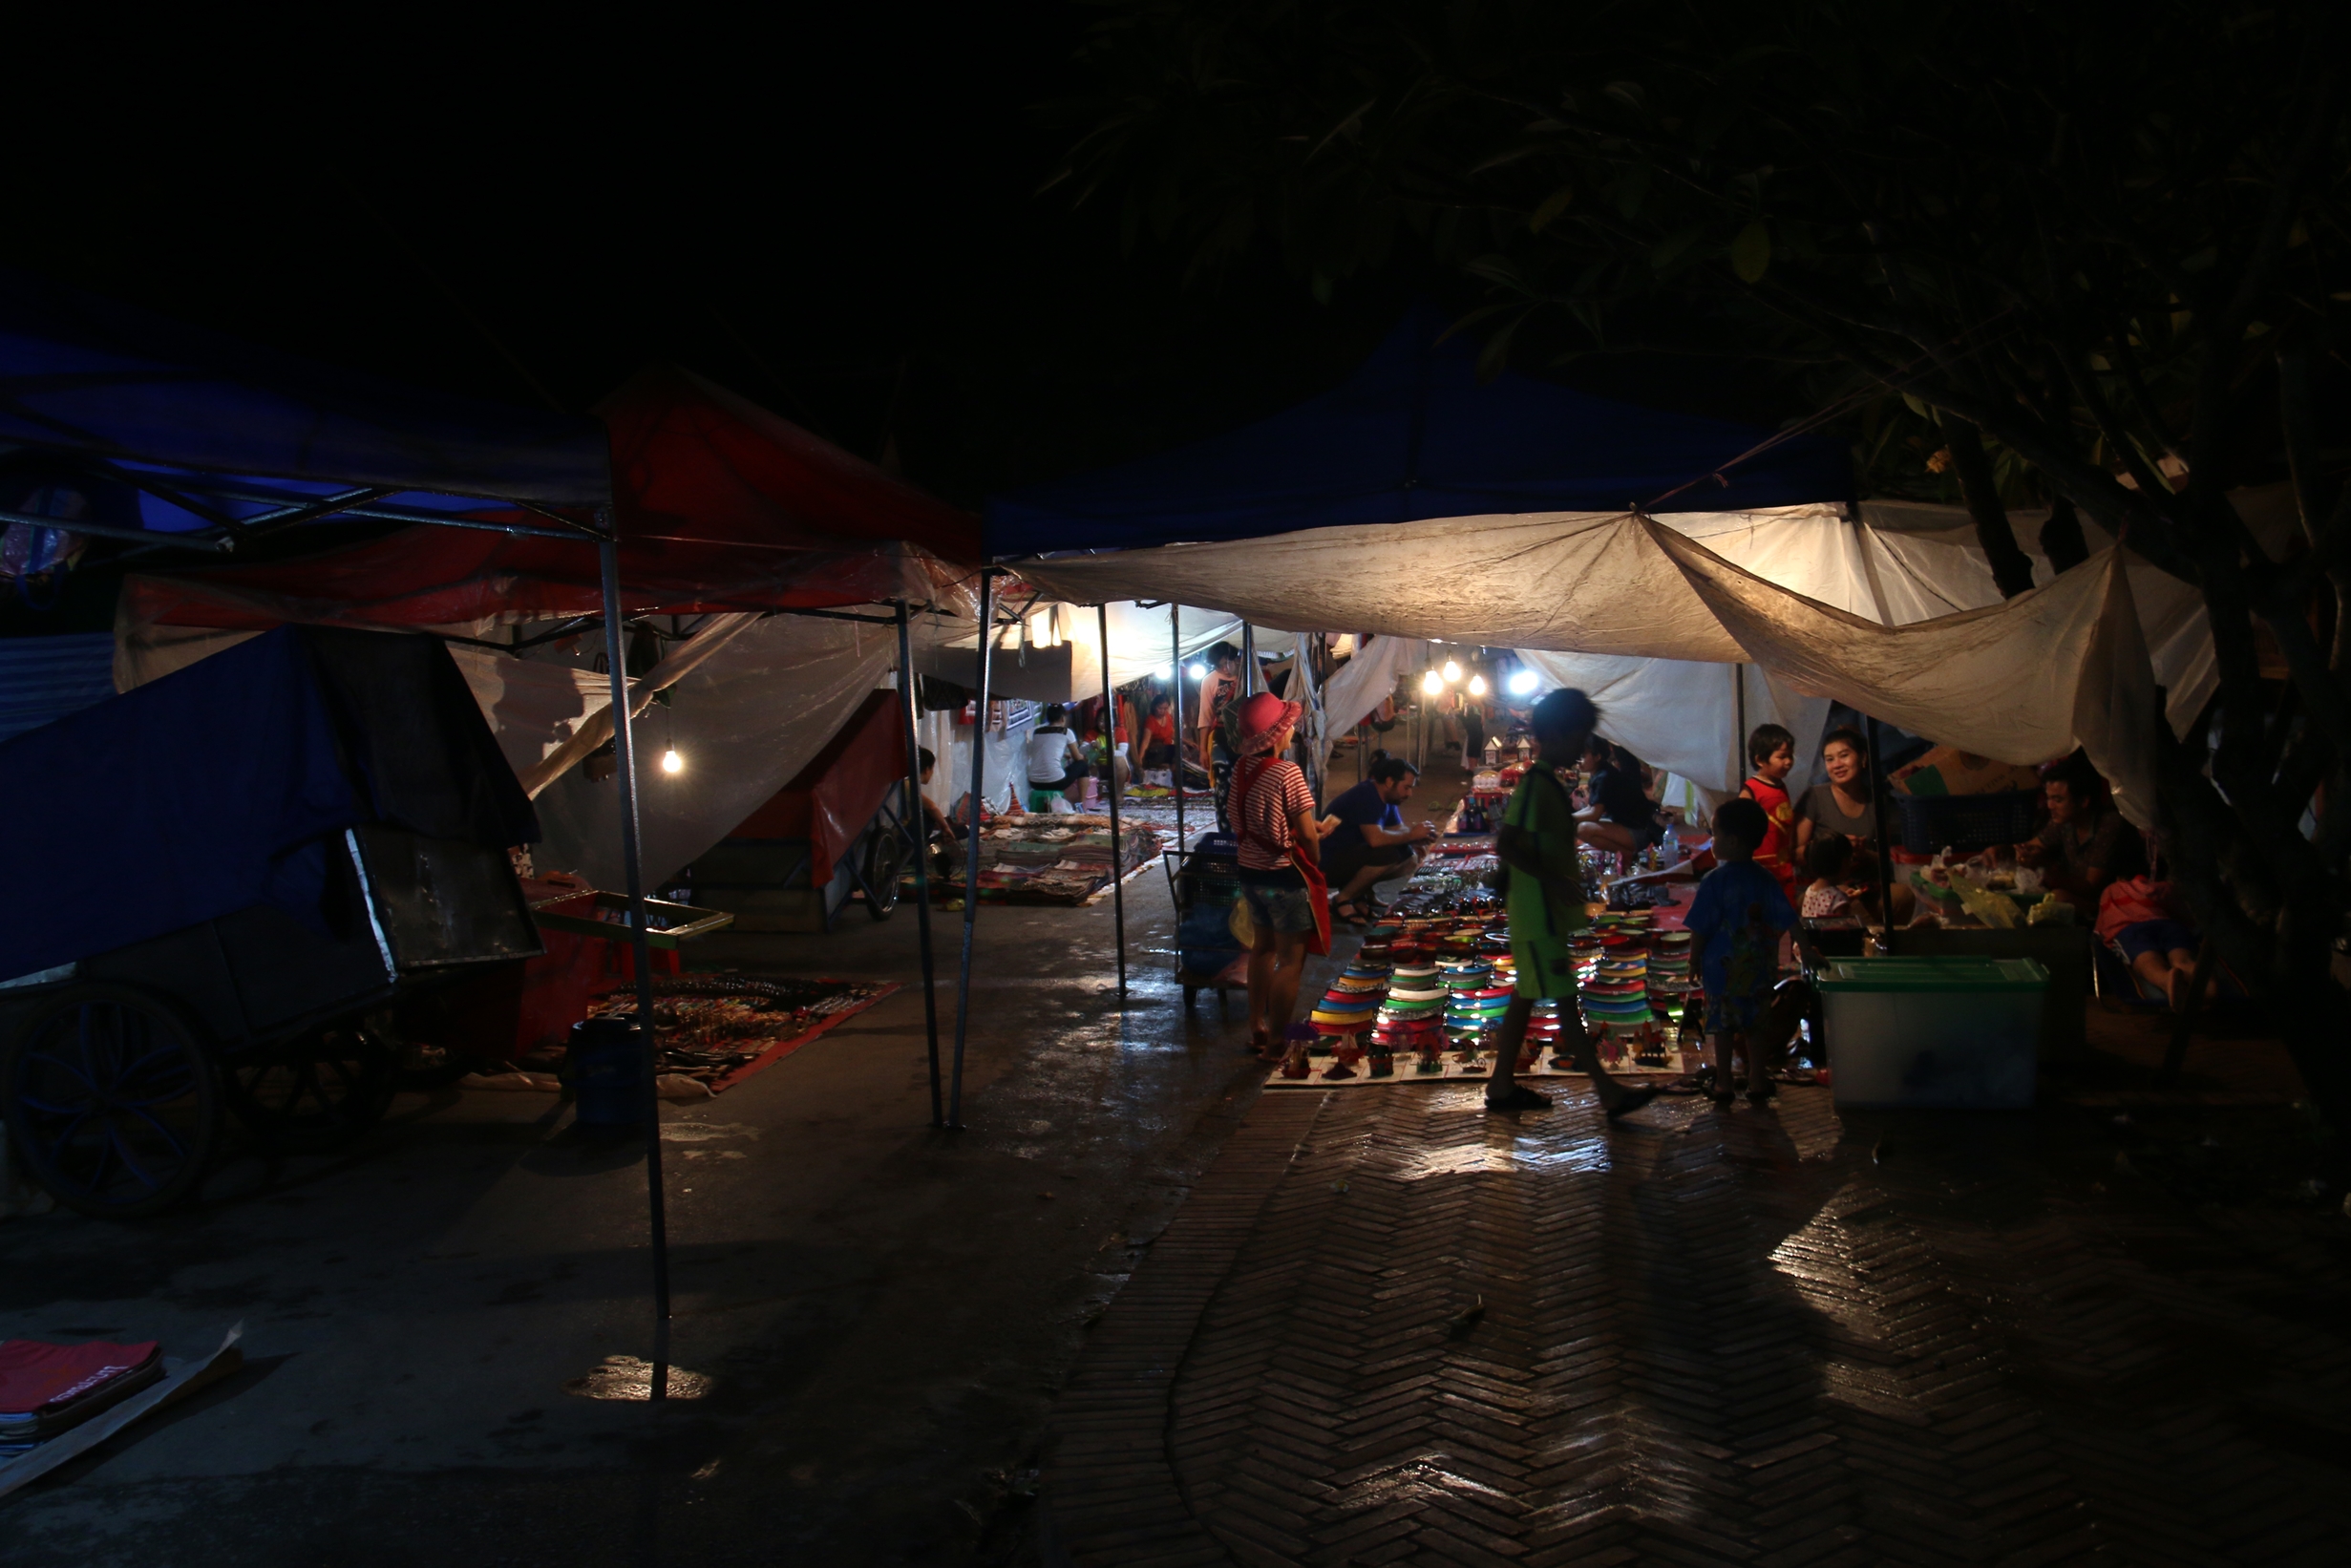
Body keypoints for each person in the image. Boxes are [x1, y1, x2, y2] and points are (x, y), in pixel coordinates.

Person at [1486, 689, 1660, 1119]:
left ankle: (1502, 1084)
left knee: (1526, 999)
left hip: (1538, 913)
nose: (1584, 746)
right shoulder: (1538, 785)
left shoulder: (1546, 784)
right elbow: (1507, 843)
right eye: (1580, 735)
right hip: (1539, 913)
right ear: (1559, 734)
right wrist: (1554, 880)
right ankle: (1607, 1091)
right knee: (1564, 1002)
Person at [1684, 796, 1799, 1109]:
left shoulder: (1714, 881)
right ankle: (1757, 1080)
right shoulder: (1765, 879)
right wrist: (1810, 948)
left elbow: (1700, 928)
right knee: (1755, 1026)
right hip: (1760, 970)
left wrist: (1694, 961)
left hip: (1723, 974)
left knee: (1722, 1027)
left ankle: (1723, 1083)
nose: (1712, 840)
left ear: (1731, 841)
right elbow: (1789, 917)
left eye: (1716, 834)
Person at [1229, 692, 1326, 1058]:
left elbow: (1251, 819)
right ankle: (1276, 1043)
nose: (1291, 731)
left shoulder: (1240, 769)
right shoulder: (1288, 772)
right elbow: (1304, 835)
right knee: (1289, 960)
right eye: (1287, 726)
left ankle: (1257, 1024)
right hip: (1283, 878)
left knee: (1261, 950)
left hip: (1251, 874)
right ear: (1277, 734)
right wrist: (1315, 853)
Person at [1321, 755, 1434, 922]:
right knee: (1387, 854)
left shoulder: (1387, 797)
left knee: (1409, 855)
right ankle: (1342, 899)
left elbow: (1398, 829)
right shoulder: (1366, 795)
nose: (1409, 793)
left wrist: (1417, 837)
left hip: (1351, 855)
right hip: (1327, 862)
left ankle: (1360, 894)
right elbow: (1376, 840)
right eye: (1406, 787)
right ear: (1389, 782)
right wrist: (1411, 835)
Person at [2016, 758, 2142, 908]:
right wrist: (2008, 851)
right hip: (2081, 896)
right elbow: (2032, 846)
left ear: (2083, 801)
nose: (2050, 806)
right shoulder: (2065, 821)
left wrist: (2047, 866)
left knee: (2058, 898)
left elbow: (2090, 887)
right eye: (2049, 798)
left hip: (2113, 905)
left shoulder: (2109, 824)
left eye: (2058, 800)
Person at [2095, 874, 2211, 1010]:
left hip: (2131, 929)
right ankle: (2208, 988)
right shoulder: (2163, 887)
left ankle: (2165, 979)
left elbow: (2103, 924)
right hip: (2168, 925)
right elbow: (2187, 917)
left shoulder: (2112, 889)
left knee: (2147, 961)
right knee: (2184, 960)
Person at [1576, 739, 1664, 861]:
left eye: (1583, 757)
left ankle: (1627, 855)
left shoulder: (1604, 777)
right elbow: (1591, 807)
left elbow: (1594, 814)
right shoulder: (1598, 774)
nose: (1578, 762)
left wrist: (1566, 818)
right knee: (1577, 825)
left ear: (1597, 757)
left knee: (1582, 829)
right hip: (1627, 828)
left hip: (1638, 833)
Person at [1739, 723, 1799, 901]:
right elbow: (1741, 826)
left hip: (1783, 865)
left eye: (1790, 756)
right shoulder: (1751, 789)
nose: (1788, 761)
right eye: (1782, 757)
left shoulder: (1781, 785)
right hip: (1761, 865)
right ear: (1760, 760)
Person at [1196, 642, 1243, 826]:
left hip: (1245, 739)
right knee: (1222, 787)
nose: (1224, 668)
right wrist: (1202, 750)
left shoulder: (1247, 675)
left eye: (1227, 663)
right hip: (1221, 737)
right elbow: (1205, 716)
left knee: (1245, 785)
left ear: (1235, 659)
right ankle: (1224, 829)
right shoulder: (1209, 681)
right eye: (1219, 665)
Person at [1026, 704, 1085, 808]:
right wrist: (1084, 757)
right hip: (1056, 782)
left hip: (1034, 782)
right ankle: (1081, 803)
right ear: (1063, 718)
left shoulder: (1037, 732)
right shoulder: (1066, 732)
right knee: (1083, 765)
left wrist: (1064, 755)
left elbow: (1046, 751)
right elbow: (1077, 757)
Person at [1799, 834, 1854, 919]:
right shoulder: (1839, 899)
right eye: (1850, 860)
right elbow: (1842, 930)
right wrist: (1844, 901)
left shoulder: (1809, 890)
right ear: (1844, 863)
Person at [1140, 693, 1179, 777]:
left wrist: (1187, 742)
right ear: (1154, 707)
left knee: (1181, 749)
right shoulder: (1150, 721)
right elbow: (1145, 742)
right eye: (1160, 708)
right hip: (1156, 754)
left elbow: (1172, 734)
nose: (1163, 711)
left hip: (1168, 751)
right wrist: (1140, 760)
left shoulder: (1168, 717)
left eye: (1165, 708)